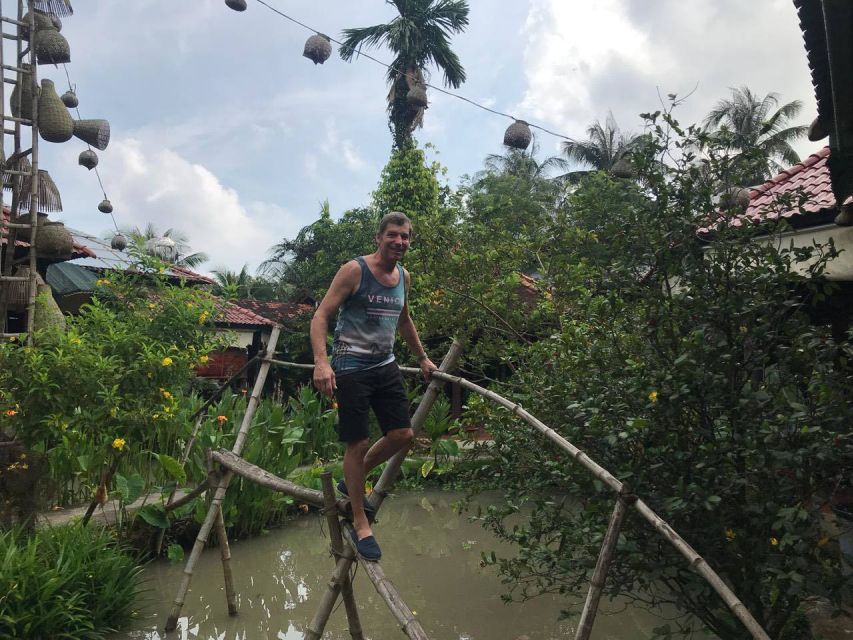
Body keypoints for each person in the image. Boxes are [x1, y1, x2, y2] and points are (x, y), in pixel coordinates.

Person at [311, 211, 437, 560]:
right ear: (378, 237)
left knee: (403, 435)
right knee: (358, 441)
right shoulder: (355, 271)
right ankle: (359, 520)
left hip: (385, 364)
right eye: (394, 235)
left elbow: (404, 318)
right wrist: (322, 362)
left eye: (406, 236)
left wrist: (424, 358)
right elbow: (320, 316)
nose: (400, 241)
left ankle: (351, 479)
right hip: (350, 365)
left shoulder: (403, 277)